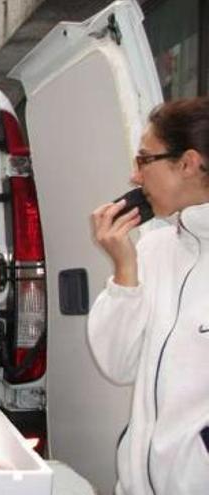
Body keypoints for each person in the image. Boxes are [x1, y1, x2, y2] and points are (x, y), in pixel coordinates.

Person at [88, 96, 209, 495]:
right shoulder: (155, 250)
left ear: (188, 163)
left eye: (144, 160)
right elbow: (117, 365)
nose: (133, 176)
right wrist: (125, 270)